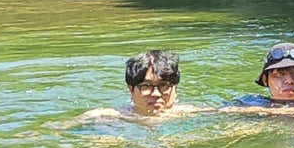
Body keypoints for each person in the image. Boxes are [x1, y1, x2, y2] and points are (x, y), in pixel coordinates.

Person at [62, 49, 208, 124]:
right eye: (146, 86)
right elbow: (60, 128)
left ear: (175, 87)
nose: (156, 94)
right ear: (131, 89)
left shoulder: (193, 114)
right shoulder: (113, 116)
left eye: (164, 85)